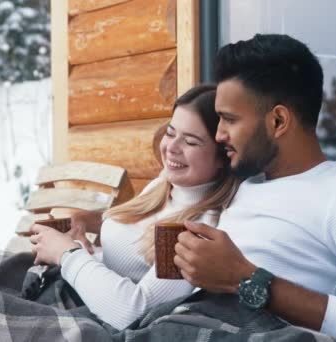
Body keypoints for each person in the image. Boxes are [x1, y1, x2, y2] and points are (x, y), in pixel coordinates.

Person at [173, 34, 336, 341]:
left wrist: (245, 279)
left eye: (229, 120)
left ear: (279, 121)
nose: (219, 135)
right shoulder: (247, 184)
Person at [29, 84, 239, 330]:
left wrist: (67, 255)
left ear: (222, 159)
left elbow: (134, 312)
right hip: (76, 292)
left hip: (88, 320)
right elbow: (139, 227)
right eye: (171, 133)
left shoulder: (195, 229)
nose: (172, 147)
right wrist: (83, 221)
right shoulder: (167, 184)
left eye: (191, 142)